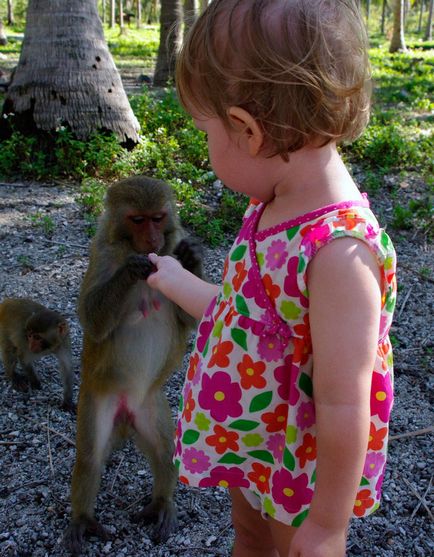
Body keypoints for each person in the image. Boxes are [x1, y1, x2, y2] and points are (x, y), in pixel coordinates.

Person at [147, 1, 397, 555]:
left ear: (247, 131)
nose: (206, 146)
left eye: (205, 132)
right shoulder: (273, 207)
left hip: (298, 467)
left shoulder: (338, 253)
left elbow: (343, 403)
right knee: (251, 537)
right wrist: (171, 280)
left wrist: (329, 524)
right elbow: (244, 314)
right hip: (256, 446)